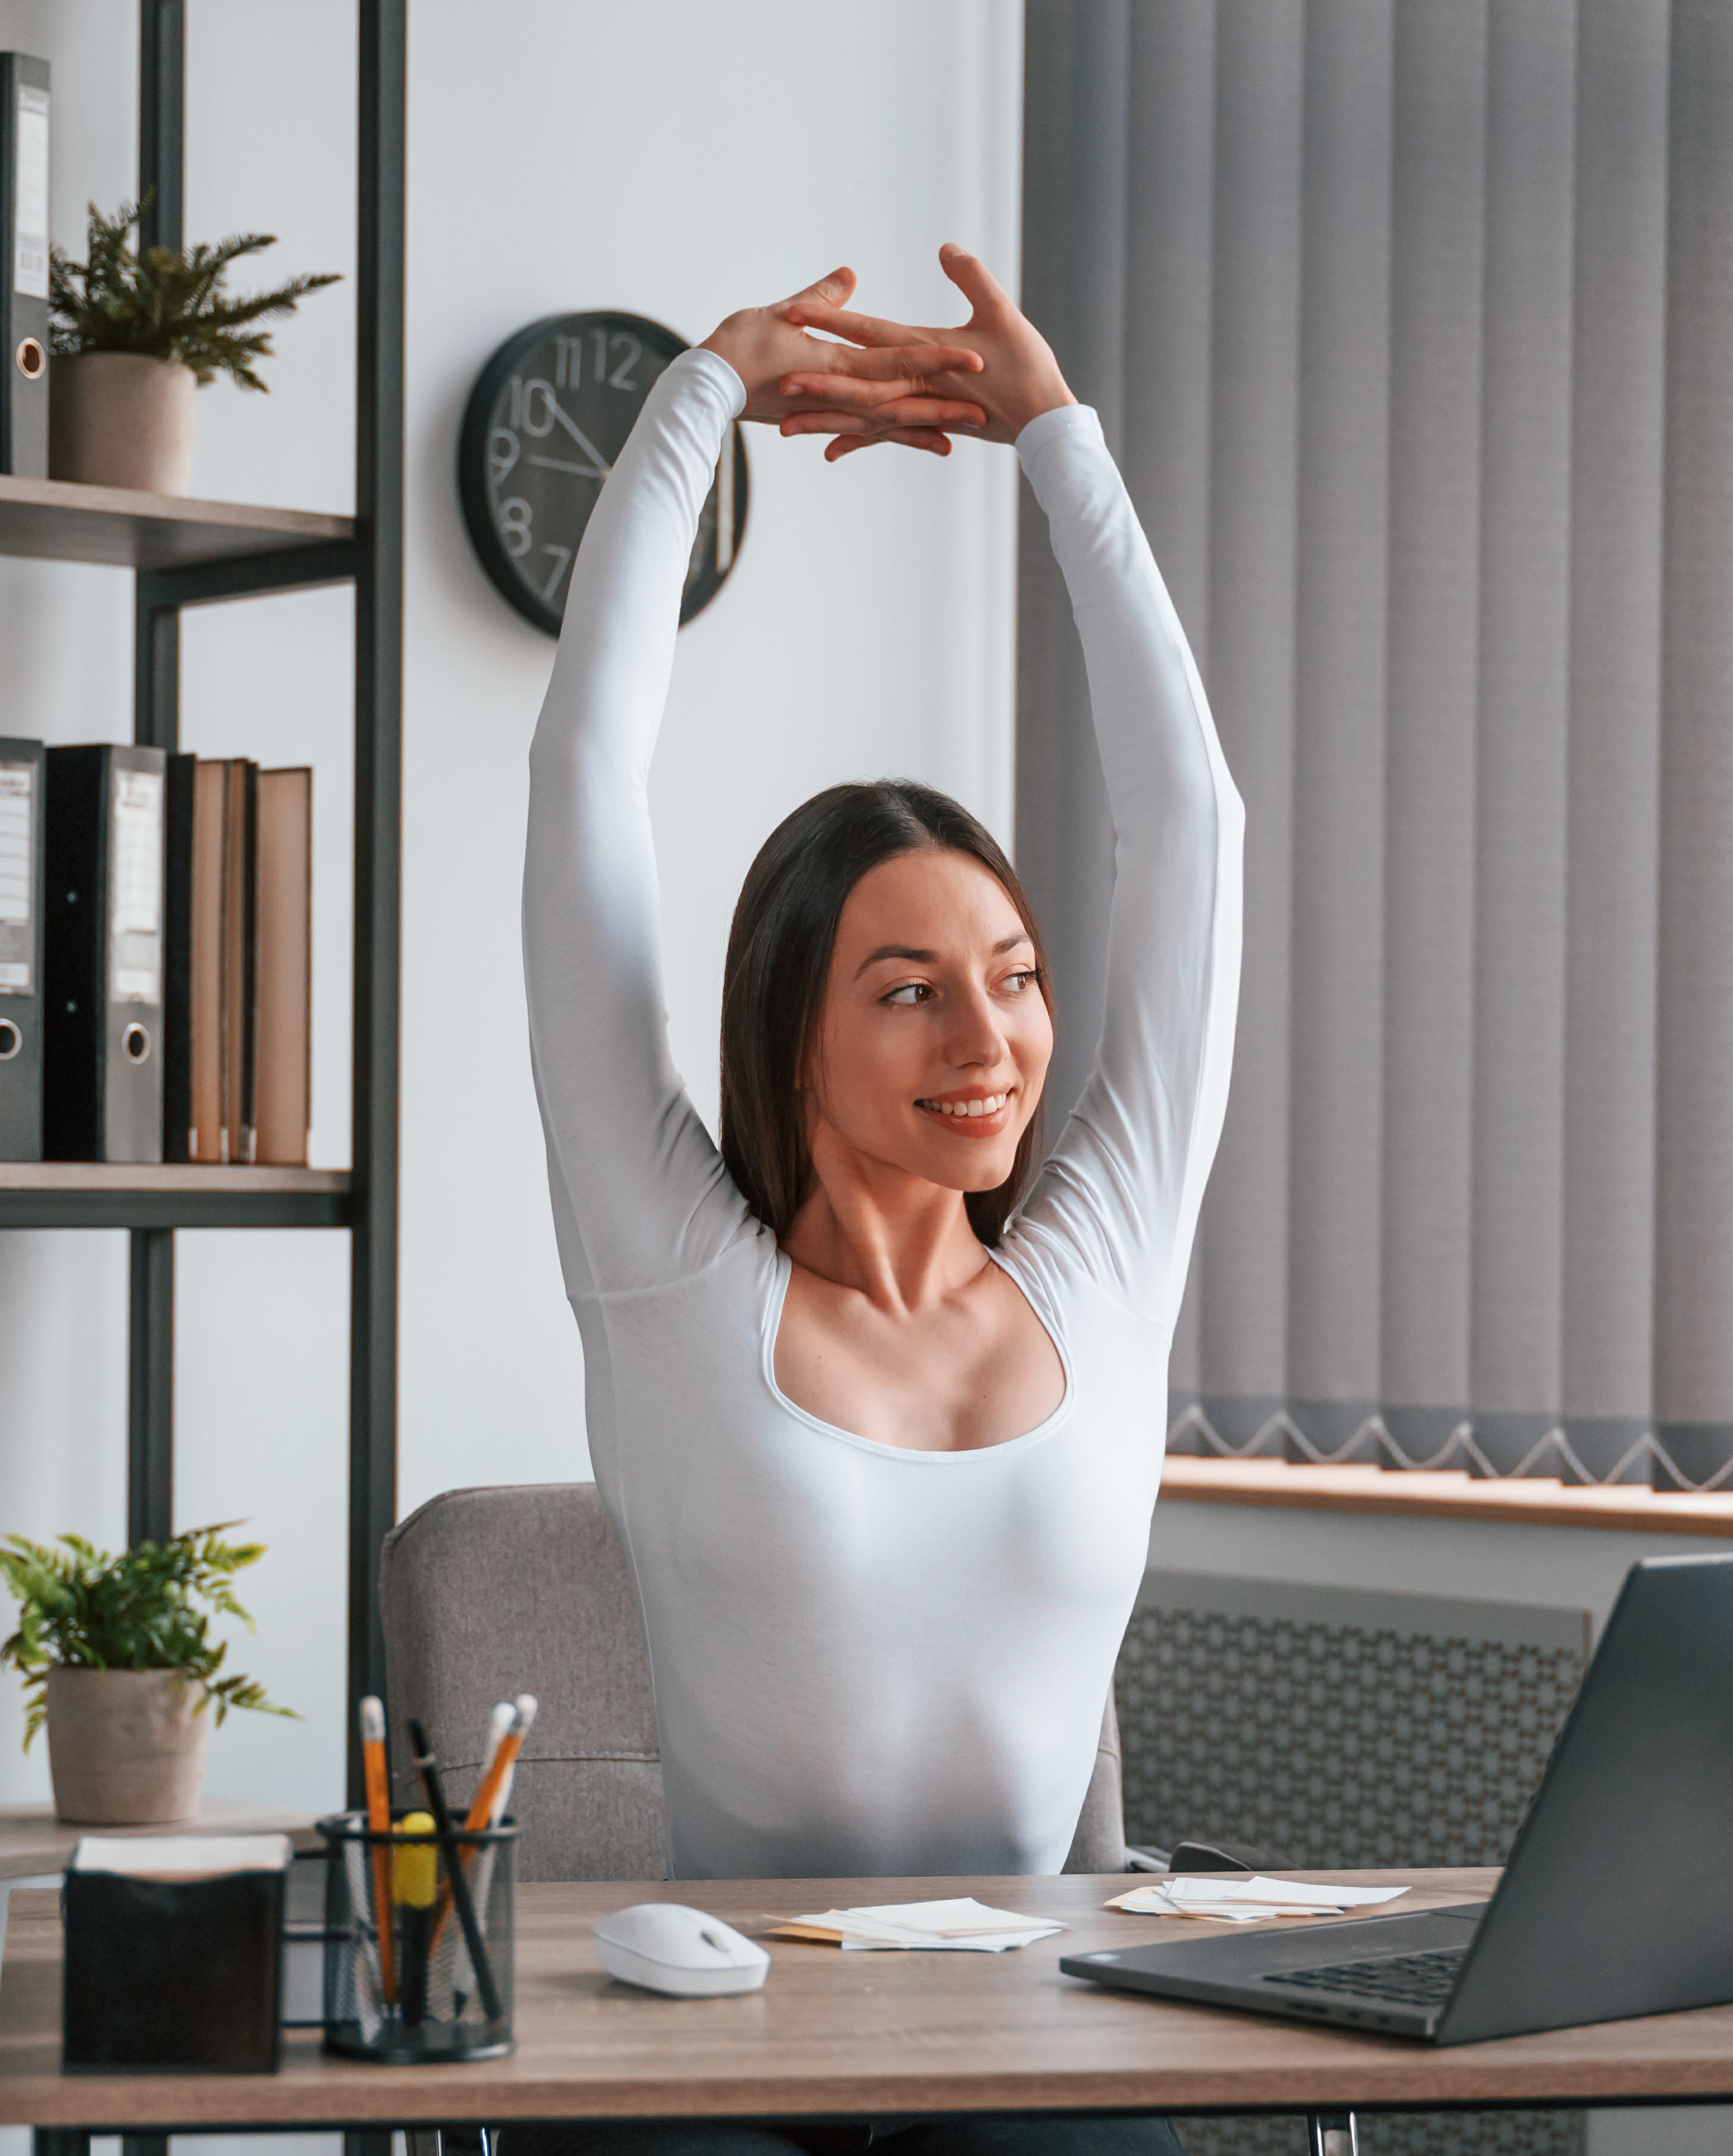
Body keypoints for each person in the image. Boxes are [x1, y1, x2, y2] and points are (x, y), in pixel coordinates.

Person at [511, 246, 1241, 2156]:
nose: (984, 1035)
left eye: (1011, 972)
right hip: (730, 2061)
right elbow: (586, 772)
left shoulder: (1105, 1265)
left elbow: (1194, 823)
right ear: (794, 1029)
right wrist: (698, 407)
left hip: (1029, 2047)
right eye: (906, 989)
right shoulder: (674, 1279)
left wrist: (1057, 441)